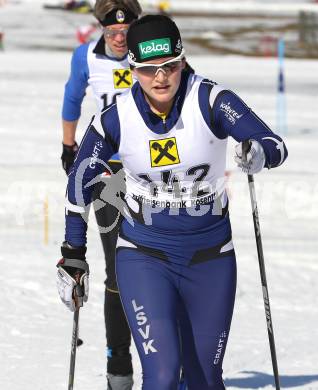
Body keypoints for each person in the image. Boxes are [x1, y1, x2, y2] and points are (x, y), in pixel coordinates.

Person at [57, 14, 288, 390]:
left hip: (211, 257)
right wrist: (72, 255)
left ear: (182, 60)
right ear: (133, 69)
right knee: (162, 376)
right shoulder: (115, 118)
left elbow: (274, 144)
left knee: (205, 379)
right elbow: (77, 184)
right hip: (144, 256)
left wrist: (257, 152)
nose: (160, 77)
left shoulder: (212, 99)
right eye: (148, 70)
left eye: (169, 66)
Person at [60, 1, 142, 389]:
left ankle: (173, 363)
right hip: (108, 172)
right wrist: (68, 145)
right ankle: (119, 367)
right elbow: (72, 99)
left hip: (155, 173)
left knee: (166, 263)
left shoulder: (153, 55)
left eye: (126, 30)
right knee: (118, 268)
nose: (120, 37)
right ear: (101, 28)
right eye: (112, 32)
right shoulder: (86, 58)